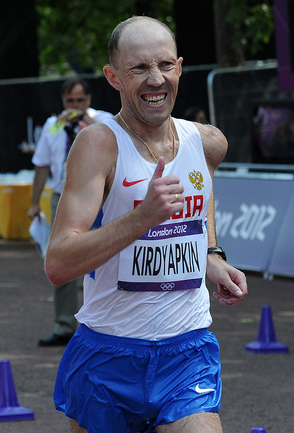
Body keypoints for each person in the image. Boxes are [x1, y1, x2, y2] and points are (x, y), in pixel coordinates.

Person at [45, 17, 248, 433]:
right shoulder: (99, 144)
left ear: (179, 67)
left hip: (187, 352)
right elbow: (58, 263)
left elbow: (202, 197)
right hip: (108, 354)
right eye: (139, 68)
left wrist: (211, 253)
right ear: (113, 77)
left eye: (165, 65)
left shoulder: (208, 143)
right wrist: (142, 219)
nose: (156, 79)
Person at [28, 78, 113, 347]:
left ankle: (104, 322)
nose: (74, 107)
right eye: (70, 102)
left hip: (100, 196)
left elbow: (119, 141)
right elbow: (41, 164)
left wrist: (85, 118)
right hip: (61, 196)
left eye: (79, 101)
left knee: (105, 257)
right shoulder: (54, 125)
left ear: (88, 100)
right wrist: (33, 202)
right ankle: (64, 324)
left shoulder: (104, 119)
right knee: (61, 259)